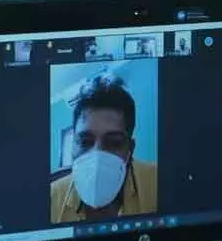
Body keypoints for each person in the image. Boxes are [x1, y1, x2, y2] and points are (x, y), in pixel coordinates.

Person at [50, 74, 158, 223]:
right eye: (85, 142)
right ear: (72, 147)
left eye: (114, 143)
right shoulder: (51, 198)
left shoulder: (158, 182)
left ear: (130, 150)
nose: (96, 155)